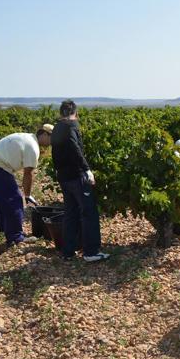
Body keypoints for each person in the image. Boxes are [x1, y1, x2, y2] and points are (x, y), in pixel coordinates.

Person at [51, 100, 109, 262]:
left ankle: (68, 251)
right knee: (89, 212)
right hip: (77, 176)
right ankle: (91, 252)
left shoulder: (56, 128)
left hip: (63, 177)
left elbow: (56, 153)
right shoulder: (71, 126)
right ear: (75, 113)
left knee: (71, 213)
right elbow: (74, 148)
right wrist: (86, 169)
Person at [0, 124, 53, 250]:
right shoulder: (33, 147)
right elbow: (28, 174)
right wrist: (27, 195)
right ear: (44, 134)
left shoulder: (27, 136)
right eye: (52, 138)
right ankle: (16, 237)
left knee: (1, 201)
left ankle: (4, 229)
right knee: (15, 200)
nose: (52, 142)